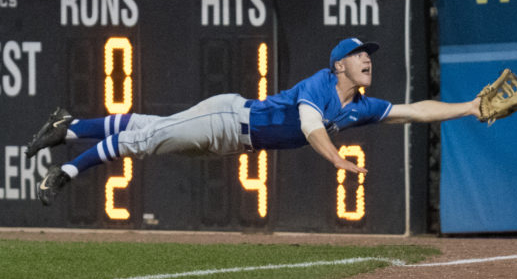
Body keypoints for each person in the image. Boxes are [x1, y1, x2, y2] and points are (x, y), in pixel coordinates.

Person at [27, 37, 481, 205]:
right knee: (144, 140)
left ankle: (68, 127)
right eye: (358, 55)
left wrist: (468, 108)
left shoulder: (360, 105)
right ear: (339, 65)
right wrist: (339, 162)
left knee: (145, 125)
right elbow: (310, 127)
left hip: (234, 142)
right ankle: (67, 172)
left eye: (368, 55)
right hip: (228, 118)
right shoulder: (319, 86)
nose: (366, 59)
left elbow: (414, 110)